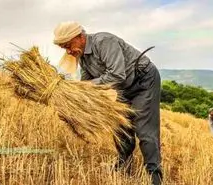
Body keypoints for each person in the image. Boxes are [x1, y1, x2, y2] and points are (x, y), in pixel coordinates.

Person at [53, 21, 162, 185]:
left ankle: (154, 176)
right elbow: (87, 84)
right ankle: (123, 166)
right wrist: (72, 97)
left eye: (69, 45)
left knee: (144, 130)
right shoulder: (83, 57)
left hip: (143, 81)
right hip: (124, 87)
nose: (68, 51)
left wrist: (86, 86)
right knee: (121, 128)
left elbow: (117, 75)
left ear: (79, 36)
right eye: (64, 48)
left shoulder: (104, 41)